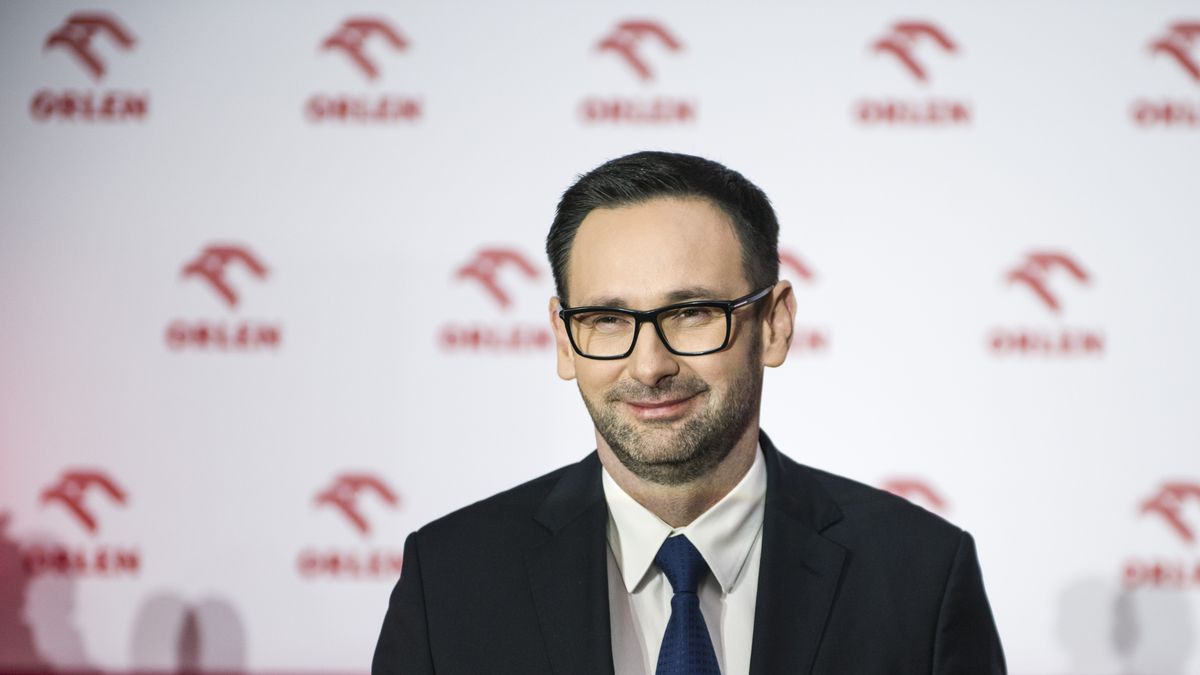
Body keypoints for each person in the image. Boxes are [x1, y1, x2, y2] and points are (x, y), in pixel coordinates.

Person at [372, 151, 1006, 674]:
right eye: (607, 319)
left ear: (775, 324)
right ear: (565, 341)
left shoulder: (920, 577)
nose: (649, 366)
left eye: (692, 312)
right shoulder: (451, 581)